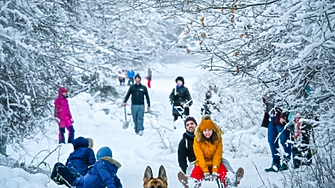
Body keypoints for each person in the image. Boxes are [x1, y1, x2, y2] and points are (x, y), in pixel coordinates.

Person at [190, 115, 228, 186]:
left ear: (213, 130)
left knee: (222, 171)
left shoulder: (218, 139)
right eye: (205, 130)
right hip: (202, 163)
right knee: (196, 173)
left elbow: (218, 155)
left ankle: (228, 181)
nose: (207, 133)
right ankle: (192, 184)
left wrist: (214, 170)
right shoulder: (197, 140)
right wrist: (205, 171)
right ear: (202, 131)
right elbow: (199, 156)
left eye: (209, 130)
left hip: (215, 162)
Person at [262, 93, 291, 172]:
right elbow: (265, 100)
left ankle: (286, 162)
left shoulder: (280, 86)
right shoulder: (268, 86)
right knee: (271, 141)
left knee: (284, 140)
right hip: (271, 118)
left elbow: (286, 102)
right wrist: (265, 99)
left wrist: (283, 116)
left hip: (280, 119)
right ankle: (275, 163)